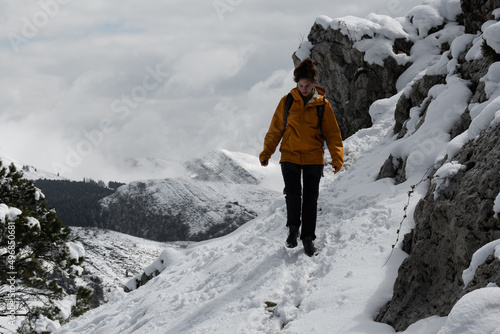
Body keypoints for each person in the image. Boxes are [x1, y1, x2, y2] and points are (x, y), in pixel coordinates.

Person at [259, 58, 343, 256]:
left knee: (311, 199)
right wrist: (266, 153)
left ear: (314, 84)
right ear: (296, 84)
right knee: (293, 195)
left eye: (307, 85)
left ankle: (307, 238)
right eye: (301, 85)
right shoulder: (287, 101)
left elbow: (333, 135)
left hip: (314, 157)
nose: (304, 89)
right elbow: (275, 130)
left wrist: (337, 158)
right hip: (290, 155)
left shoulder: (323, 105)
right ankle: (293, 230)